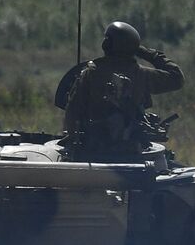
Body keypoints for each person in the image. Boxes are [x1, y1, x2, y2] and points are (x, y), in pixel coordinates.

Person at [61, 21, 184, 161]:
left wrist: (73, 140)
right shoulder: (142, 75)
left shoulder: (91, 74)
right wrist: (148, 54)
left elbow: (73, 110)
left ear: (106, 45)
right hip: (131, 151)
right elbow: (176, 78)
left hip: (94, 149)